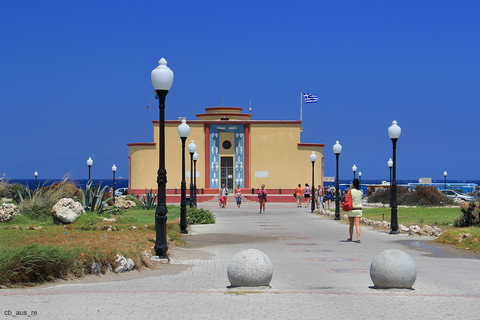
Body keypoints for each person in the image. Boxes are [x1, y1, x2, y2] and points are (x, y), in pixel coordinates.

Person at [347, 179, 363, 243]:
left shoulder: (350, 191)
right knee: (357, 224)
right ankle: (358, 238)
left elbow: (346, 199)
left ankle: (351, 237)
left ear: (353, 184)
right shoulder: (360, 192)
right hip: (358, 209)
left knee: (351, 225)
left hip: (351, 209)